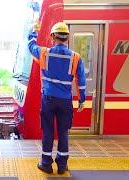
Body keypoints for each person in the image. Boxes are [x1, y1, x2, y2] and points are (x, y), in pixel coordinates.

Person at [28, 21, 86, 174]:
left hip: (48, 100)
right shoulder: (76, 57)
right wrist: (81, 99)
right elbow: (81, 81)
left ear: (52, 36)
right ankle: (62, 165)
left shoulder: (44, 53)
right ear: (67, 38)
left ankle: (46, 163)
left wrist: (34, 31)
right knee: (63, 132)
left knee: (47, 131)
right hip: (65, 101)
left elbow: (30, 46)